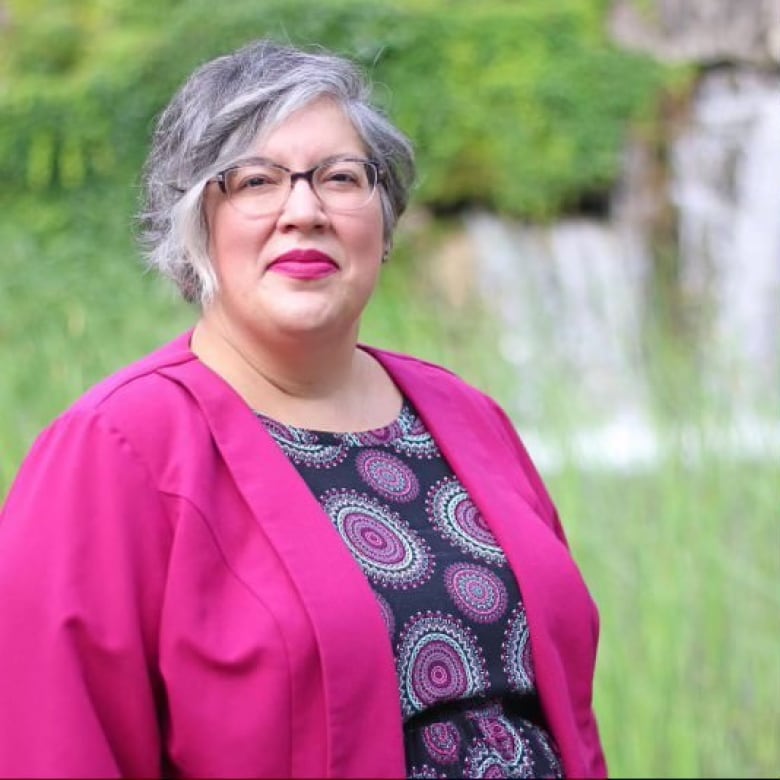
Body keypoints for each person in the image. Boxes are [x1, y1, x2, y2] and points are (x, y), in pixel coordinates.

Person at [0, 39, 608, 779]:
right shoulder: (116, 449)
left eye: (341, 177)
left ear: (383, 221)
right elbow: (55, 744)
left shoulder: (467, 416)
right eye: (256, 181)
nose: (304, 210)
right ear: (197, 226)